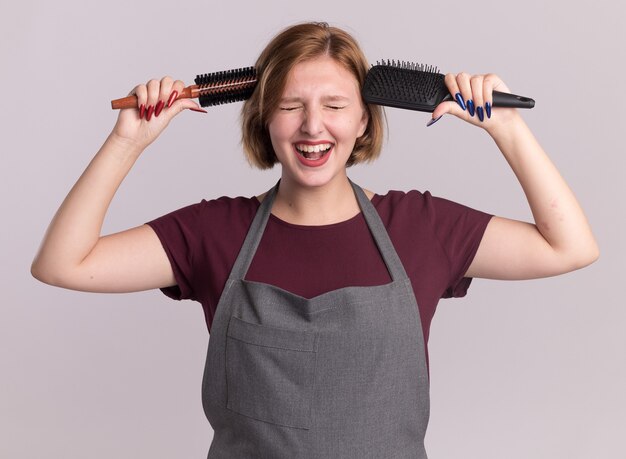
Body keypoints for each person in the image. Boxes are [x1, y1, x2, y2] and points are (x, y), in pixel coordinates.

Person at [31, 21, 598, 459]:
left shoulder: (421, 227)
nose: (312, 127)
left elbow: (569, 247)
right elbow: (63, 264)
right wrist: (127, 142)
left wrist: (507, 128)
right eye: (290, 106)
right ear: (263, 120)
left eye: (334, 106)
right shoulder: (214, 232)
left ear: (364, 123)